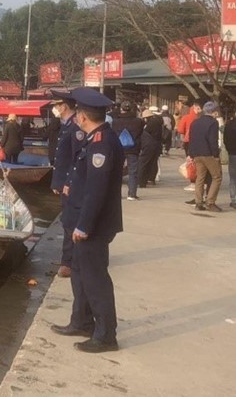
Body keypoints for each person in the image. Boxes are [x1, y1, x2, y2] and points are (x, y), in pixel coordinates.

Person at [50, 86, 123, 353]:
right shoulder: (94, 139)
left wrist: (84, 225)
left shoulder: (102, 142)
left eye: (78, 111)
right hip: (81, 216)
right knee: (80, 273)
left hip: (93, 224)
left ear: (83, 116)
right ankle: (81, 321)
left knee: (95, 279)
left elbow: (97, 190)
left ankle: (105, 335)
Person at [49, 92, 84, 279]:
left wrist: (68, 182)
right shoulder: (67, 126)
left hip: (70, 185)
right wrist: (58, 181)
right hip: (63, 183)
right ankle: (67, 259)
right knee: (66, 222)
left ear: (64, 106)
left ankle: (69, 262)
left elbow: (77, 159)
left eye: (57, 105)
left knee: (70, 222)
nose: (55, 108)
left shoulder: (74, 128)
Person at [187, 102, 224, 212]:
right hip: (208, 153)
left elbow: (191, 139)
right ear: (214, 111)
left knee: (200, 178)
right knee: (217, 177)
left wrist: (191, 154)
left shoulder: (195, 122)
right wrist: (216, 154)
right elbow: (212, 140)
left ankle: (198, 202)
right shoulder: (213, 122)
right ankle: (210, 202)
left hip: (197, 153)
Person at [110, 100, 144, 200]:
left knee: (117, 172)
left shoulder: (115, 121)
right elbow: (140, 132)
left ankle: (117, 194)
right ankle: (132, 194)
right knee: (133, 171)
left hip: (119, 148)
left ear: (121, 109)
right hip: (133, 149)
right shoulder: (138, 121)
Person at [138, 107, 163, 188]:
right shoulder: (158, 121)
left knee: (144, 163)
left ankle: (141, 181)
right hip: (157, 144)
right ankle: (151, 179)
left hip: (150, 145)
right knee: (153, 162)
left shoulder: (151, 123)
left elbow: (145, 132)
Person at [223, 112, 236, 209]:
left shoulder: (229, 125)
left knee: (233, 178)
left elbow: (225, 139)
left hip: (232, 153)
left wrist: (229, 149)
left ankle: (234, 200)